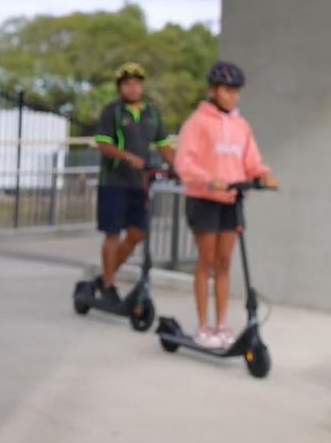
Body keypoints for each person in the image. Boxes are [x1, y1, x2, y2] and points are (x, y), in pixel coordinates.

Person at [172, 61, 276, 348]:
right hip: (204, 199)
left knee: (224, 263)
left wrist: (263, 173)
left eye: (235, 91)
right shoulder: (197, 122)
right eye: (226, 90)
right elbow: (185, 163)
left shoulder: (241, 125)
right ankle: (203, 326)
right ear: (213, 91)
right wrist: (209, 179)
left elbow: (251, 159)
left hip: (232, 200)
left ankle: (221, 324)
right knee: (206, 262)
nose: (232, 96)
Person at [92, 63, 175, 305]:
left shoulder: (152, 113)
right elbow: (103, 144)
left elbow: (163, 145)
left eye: (137, 83)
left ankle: (106, 274)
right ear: (120, 87)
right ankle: (108, 285)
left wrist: (175, 166)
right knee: (112, 234)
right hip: (114, 182)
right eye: (128, 83)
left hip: (140, 184)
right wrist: (127, 157)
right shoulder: (113, 111)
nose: (133, 87)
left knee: (137, 233)